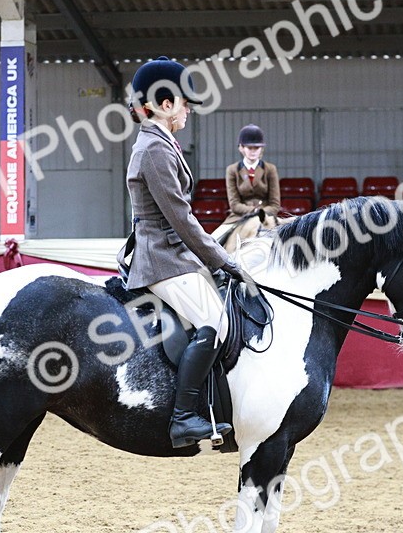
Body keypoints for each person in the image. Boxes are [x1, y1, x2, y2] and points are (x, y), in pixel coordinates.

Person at [116, 56, 247, 448]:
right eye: (184, 102)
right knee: (215, 321)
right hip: (162, 260)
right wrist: (222, 261)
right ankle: (184, 417)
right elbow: (182, 220)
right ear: (163, 103)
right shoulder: (154, 150)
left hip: (171, 255)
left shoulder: (161, 144)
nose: (189, 109)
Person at [218, 124, 281, 252]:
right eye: (249, 147)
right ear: (241, 148)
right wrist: (254, 212)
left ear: (261, 149)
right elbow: (234, 204)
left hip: (266, 217)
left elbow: (275, 204)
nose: (253, 151)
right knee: (214, 240)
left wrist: (262, 213)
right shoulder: (232, 170)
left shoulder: (270, 169)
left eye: (256, 148)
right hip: (239, 216)